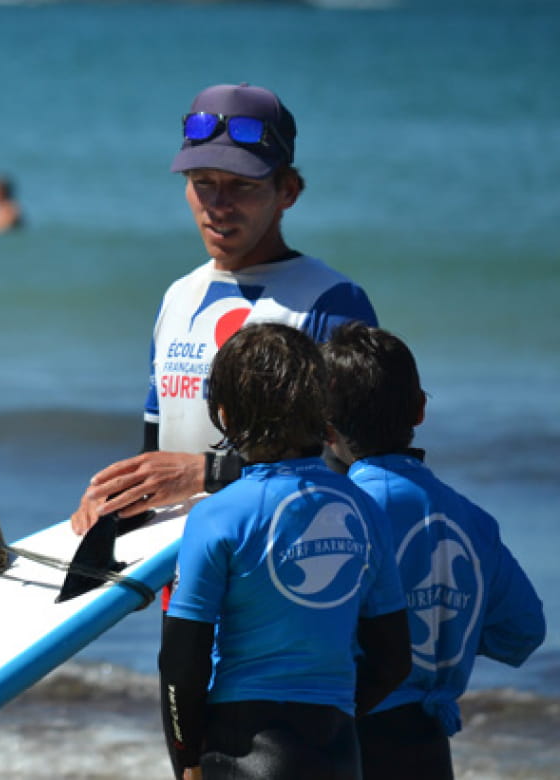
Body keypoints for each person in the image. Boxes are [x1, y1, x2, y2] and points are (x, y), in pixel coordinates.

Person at [72, 83, 378, 535]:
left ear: (288, 191)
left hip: (289, 577)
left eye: (242, 186)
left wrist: (206, 473)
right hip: (182, 571)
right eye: (203, 184)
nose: (218, 206)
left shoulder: (329, 303)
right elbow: (159, 456)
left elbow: (353, 470)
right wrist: (115, 499)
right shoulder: (179, 296)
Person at [159, 323, 410, 779]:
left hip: (244, 749)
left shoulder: (218, 517)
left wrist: (188, 760)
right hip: (338, 752)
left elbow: (182, 661)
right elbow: (394, 659)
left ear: (226, 417)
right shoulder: (364, 508)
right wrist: (333, 708)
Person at [320, 322, 545, 780]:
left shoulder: (341, 516)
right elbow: (524, 631)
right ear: (420, 409)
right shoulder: (473, 520)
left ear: (325, 430)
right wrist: (449, 625)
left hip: (353, 737)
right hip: (429, 744)